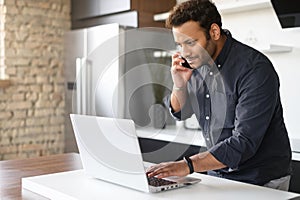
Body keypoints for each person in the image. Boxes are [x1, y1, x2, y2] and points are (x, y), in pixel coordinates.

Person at [146, 0, 292, 191]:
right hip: (219, 175)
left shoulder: (255, 69)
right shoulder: (197, 64)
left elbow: (244, 142)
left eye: (190, 42)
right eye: (180, 45)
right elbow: (180, 113)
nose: (185, 52)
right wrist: (179, 84)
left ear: (214, 32)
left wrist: (187, 165)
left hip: (261, 179)